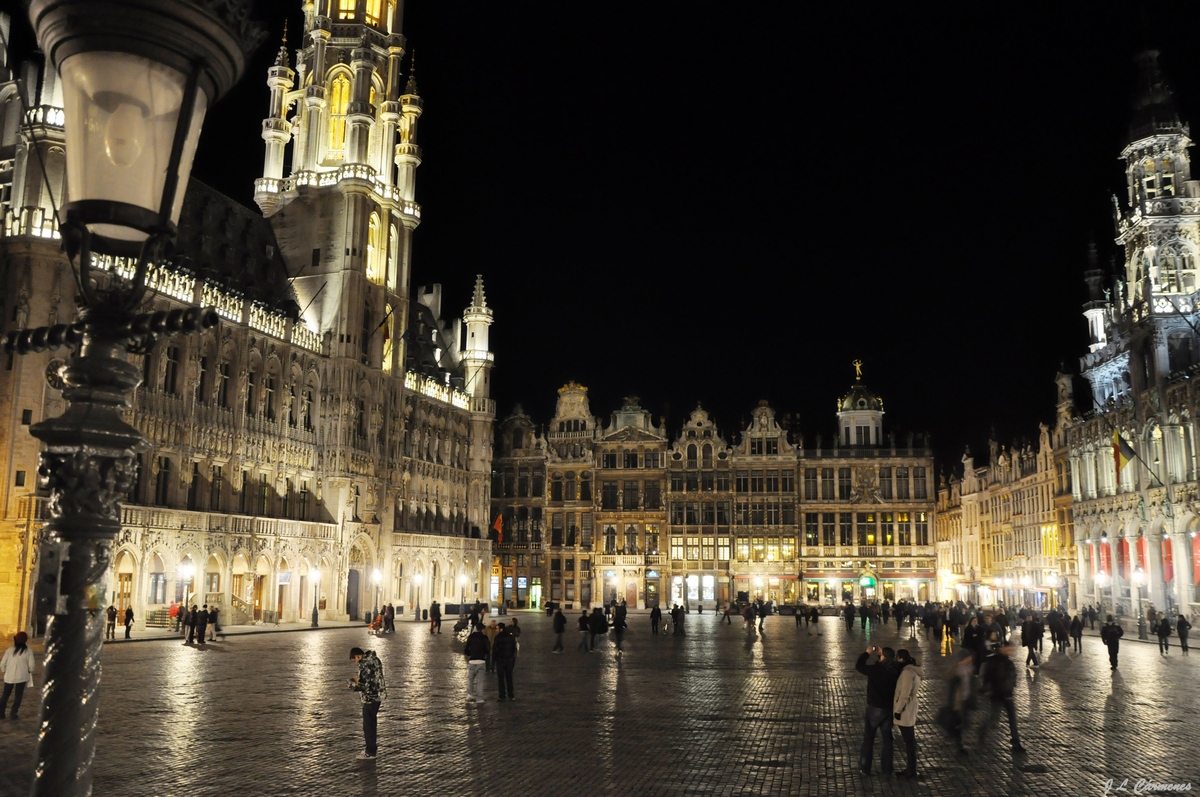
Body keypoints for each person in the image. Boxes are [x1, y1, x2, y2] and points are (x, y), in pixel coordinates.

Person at [855, 645, 898, 776]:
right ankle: (887, 769)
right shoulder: (897, 669)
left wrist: (867, 653)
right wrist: (882, 655)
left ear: (883, 657)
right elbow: (888, 664)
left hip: (874, 708)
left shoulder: (876, 669)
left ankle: (865, 768)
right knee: (887, 740)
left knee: (869, 738)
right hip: (889, 707)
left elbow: (859, 666)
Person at [977, 640, 1024, 753]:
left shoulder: (1008, 662)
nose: (1009, 651)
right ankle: (982, 730)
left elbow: (1012, 677)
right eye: (1008, 649)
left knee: (1012, 718)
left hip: (1008, 695)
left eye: (1011, 649)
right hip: (997, 694)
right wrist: (988, 689)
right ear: (1003, 648)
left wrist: (1012, 686)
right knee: (993, 718)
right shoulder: (994, 660)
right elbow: (987, 677)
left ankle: (1016, 741)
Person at [348, 646, 386, 760]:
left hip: (370, 698)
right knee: (372, 724)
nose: (356, 662)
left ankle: (370, 752)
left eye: (355, 660)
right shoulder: (375, 659)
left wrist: (352, 684)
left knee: (368, 726)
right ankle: (371, 749)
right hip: (378, 696)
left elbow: (364, 685)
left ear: (357, 656)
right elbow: (373, 678)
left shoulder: (364, 664)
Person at [893, 649, 923, 779]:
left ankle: (911, 769)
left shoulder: (906, 673)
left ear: (901, 658)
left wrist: (898, 711)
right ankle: (911, 768)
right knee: (909, 740)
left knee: (909, 740)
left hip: (905, 710)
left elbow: (904, 694)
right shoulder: (912, 671)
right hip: (909, 707)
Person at [945, 650, 973, 756]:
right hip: (958, 701)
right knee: (959, 723)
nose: (970, 659)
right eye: (968, 657)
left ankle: (957, 738)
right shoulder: (956, 670)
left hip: (966, 699)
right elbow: (951, 688)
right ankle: (959, 744)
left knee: (963, 722)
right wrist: (950, 703)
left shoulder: (969, 668)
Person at [0, 632, 34, 720]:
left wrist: (5, 671)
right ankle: (13, 713)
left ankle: (1, 713)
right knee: (18, 696)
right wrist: (29, 671)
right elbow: (32, 665)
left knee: (5, 695)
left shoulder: (10, 650)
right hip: (22, 677)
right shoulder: (28, 651)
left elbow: (2, 663)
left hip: (9, 677)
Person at [464, 624, 490, 702]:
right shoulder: (485, 638)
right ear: (482, 629)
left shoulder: (471, 637)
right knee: (480, 681)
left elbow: (466, 649)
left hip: (472, 660)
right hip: (481, 660)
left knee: (470, 679)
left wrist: (470, 654)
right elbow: (488, 649)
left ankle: (469, 695)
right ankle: (479, 698)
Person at [492, 624, 518, 700]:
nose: (496, 630)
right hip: (509, 660)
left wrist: (494, 659)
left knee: (501, 679)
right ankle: (511, 695)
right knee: (509, 678)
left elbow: (494, 649)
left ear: (501, 629)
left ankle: (502, 695)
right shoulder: (511, 637)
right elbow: (514, 648)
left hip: (500, 660)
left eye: (497, 628)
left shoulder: (498, 637)